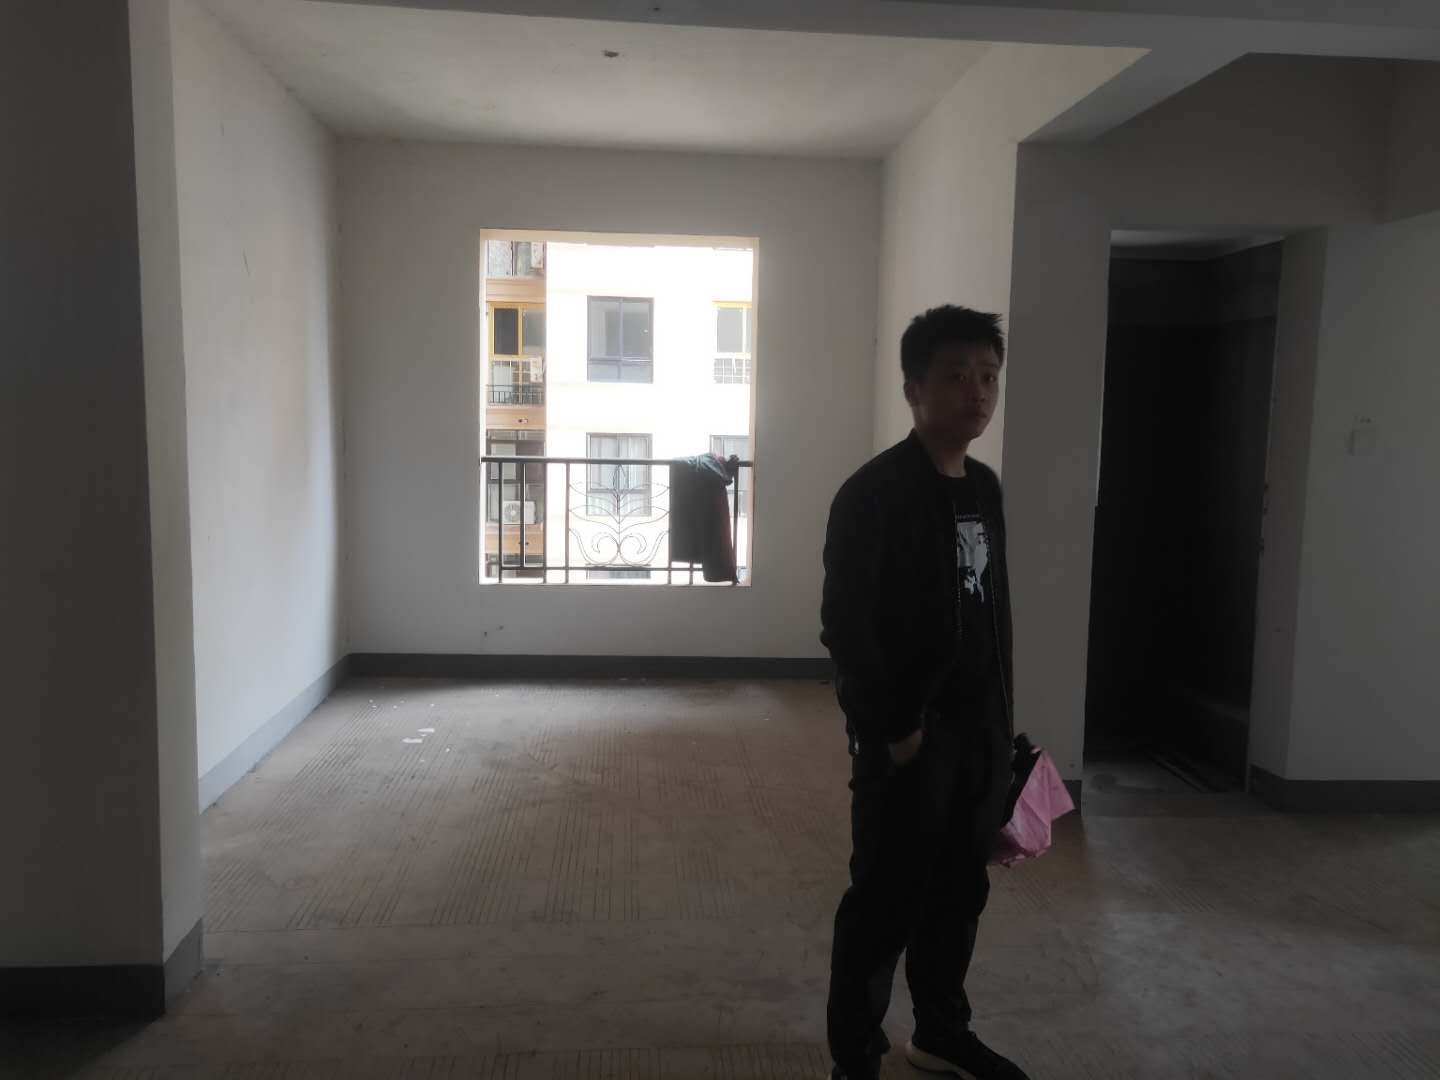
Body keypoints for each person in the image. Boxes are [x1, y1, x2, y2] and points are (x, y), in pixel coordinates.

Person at [820, 305, 1029, 1079]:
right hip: (909, 739)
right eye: (955, 377)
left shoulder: (986, 488)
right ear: (914, 388)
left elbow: (992, 612)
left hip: (979, 735)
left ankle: (941, 1031)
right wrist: (894, 730)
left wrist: (1003, 729)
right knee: (884, 901)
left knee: (958, 894)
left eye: (989, 377)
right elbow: (846, 627)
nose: (977, 393)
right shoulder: (874, 494)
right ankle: (856, 1056)